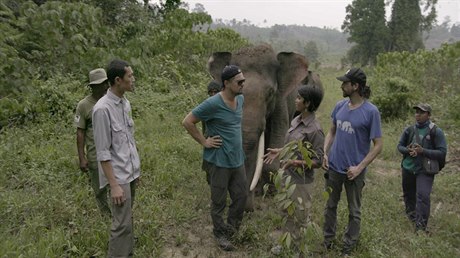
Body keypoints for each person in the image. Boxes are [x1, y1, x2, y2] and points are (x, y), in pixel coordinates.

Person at [182, 65, 248, 251]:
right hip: (219, 161)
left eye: (243, 81)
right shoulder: (213, 103)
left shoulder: (240, 100)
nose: (243, 84)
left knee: (241, 196)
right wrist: (204, 141)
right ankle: (220, 234)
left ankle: (232, 230)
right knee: (218, 201)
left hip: (238, 160)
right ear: (226, 83)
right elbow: (187, 121)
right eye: (239, 81)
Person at [322, 68, 383, 255]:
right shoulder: (340, 106)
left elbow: (378, 145)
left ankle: (348, 245)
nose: (342, 85)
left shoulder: (371, 112)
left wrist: (359, 167)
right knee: (330, 205)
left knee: (354, 210)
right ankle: (328, 240)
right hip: (334, 167)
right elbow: (332, 131)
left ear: (355, 86)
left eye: (345, 83)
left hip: (353, 171)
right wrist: (325, 152)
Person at [263, 83, 325, 252]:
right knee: (286, 212)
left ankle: (298, 249)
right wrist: (280, 151)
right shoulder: (296, 120)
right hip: (288, 176)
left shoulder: (315, 130)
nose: (295, 100)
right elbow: (293, 147)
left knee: (299, 216)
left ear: (308, 103)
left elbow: (318, 161)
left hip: (301, 181)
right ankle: (286, 245)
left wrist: (295, 163)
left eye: (299, 98)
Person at [93, 59, 140, 257]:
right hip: (118, 177)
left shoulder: (125, 103)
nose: (133, 79)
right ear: (118, 80)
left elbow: (128, 141)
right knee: (120, 225)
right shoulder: (102, 109)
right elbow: (103, 152)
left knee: (127, 220)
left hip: (130, 173)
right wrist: (114, 185)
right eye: (130, 76)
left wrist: (136, 170)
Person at [397, 103, 447, 233]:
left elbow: (442, 152)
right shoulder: (410, 129)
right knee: (409, 195)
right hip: (408, 168)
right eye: (416, 112)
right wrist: (408, 151)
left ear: (428, 115)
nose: (417, 115)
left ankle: (421, 227)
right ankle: (411, 218)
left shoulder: (436, 131)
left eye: (421, 112)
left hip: (425, 170)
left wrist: (423, 151)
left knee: (423, 196)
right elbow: (400, 146)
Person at [75, 68, 110, 215]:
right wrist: (82, 157)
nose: (102, 87)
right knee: (100, 189)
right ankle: (106, 215)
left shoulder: (111, 100)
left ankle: (118, 215)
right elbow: (80, 132)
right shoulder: (84, 105)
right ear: (92, 87)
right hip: (95, 154)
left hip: (113, 151)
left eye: (104, 83)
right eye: (98, 85)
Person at [202, 80, 222, 184]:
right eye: (211, 92)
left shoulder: (226, 105)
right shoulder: (206, 106)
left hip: (222, 141)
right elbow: (203, 126)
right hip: (210, 139)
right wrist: (205, 140)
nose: (213, 94)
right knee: (210, 169)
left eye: (216, 92)